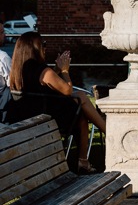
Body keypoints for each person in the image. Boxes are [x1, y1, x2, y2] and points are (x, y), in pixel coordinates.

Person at [8, 32, 106, 174]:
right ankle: (107, 134)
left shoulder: (19, 70)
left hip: (31, 117)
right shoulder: (42, 70)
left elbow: (43, 84)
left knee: (81, 114)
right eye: (43, 44)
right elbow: (66, 89)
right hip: (49, 119)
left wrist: (56, 70)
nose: (45, 48)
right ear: (35, 48)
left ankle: (84, 161)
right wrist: (65, 71)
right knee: (81, 98)